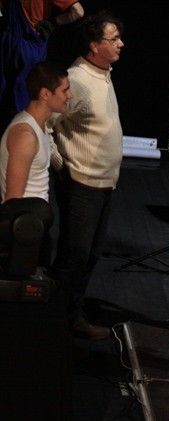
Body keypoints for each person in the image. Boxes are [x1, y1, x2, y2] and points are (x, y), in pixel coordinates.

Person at [49, 11, 124, 340]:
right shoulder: (77, 80)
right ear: (94, 45)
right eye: (113, 39)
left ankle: (69, 316)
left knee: (90, 255)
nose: (121, 43)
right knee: (74, 256)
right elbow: (46, 122)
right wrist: (60, 163)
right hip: (82, 184)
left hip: (103, 183)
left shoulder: (102, 73)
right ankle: (57, 323)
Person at [0, 61, 70, 265]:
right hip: (23, 233)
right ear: (45, 94)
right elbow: (12, 200)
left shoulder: (40, 127)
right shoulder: (25, 135)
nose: (70, 95)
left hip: (35, 227)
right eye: (65, 90)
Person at [0, 0, 83, 132]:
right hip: (27, 45)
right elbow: (78, 11)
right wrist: (53, 22)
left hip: (12, 42)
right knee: (22, 104)